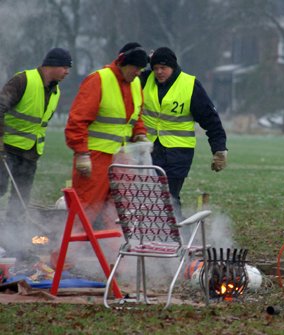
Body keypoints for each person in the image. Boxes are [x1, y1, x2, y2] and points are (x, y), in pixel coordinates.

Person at [65, 42, 149, 228]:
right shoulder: (98, 80)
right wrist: (81, 153)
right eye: (136, 68)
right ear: (123, 63)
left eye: (141, 69)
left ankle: (115, 254)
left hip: (122, 157)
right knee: (85, 207)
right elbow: (77, 120)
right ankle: (66, 255)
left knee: (120, 210)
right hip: (96, 157)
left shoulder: (135, 84)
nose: (138, 73)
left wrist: (140, 134)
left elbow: (136, 116)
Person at [139, 47, 227, 218]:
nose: (159, 72)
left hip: (178, 154)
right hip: (149, 150)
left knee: (168, 197)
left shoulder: (190, 85)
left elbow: (211, 120)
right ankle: (163, 236)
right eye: (155, 68)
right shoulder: (143, 80)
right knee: (149, 196)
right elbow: (128, 65)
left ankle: (176, 237)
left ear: (173, 66)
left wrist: (219, 150)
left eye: (163, 68)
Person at [0, 48, 72, 227]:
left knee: (20, 199)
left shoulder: (56, 92)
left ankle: (11, 242)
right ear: (52, 64)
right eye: (64, 67)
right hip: (6, 149)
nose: (67, 72)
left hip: (30, 154)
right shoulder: (22, 80)